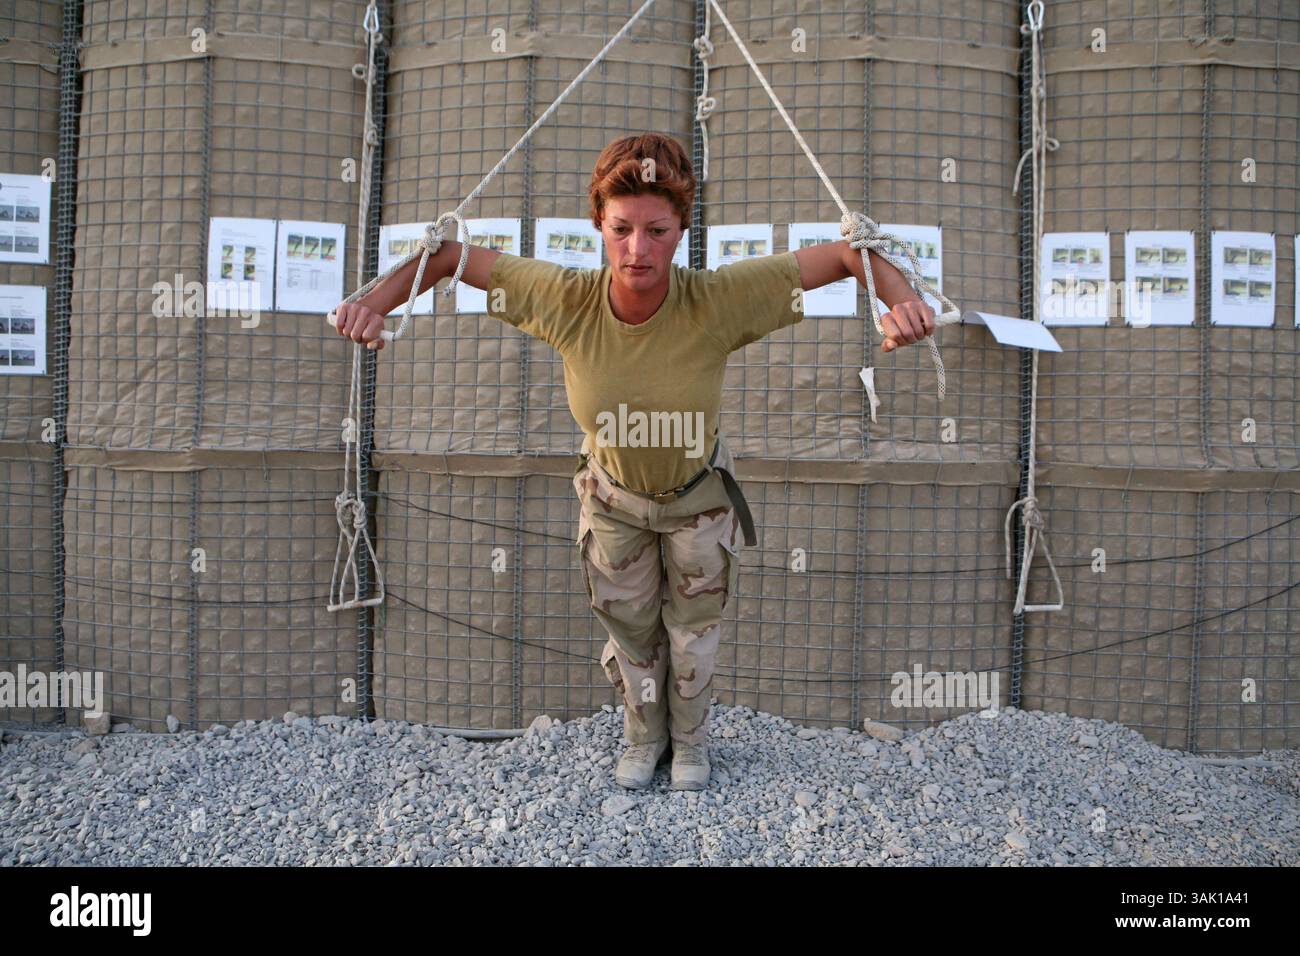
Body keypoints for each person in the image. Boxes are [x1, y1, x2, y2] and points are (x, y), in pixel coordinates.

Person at [332, 133, 935, 790]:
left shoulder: (718, 301)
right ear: (599, 224)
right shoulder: (565, 300)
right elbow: (444, 255)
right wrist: (373, 303)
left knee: (693, 637)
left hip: (697, 502)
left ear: (682, 231)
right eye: (621, 229)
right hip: (614, 503)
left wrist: (899, 301)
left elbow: (852, 252)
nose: (638, 250)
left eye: (657, 230)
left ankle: (693, 742)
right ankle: (645, 735)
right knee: (633, 637)